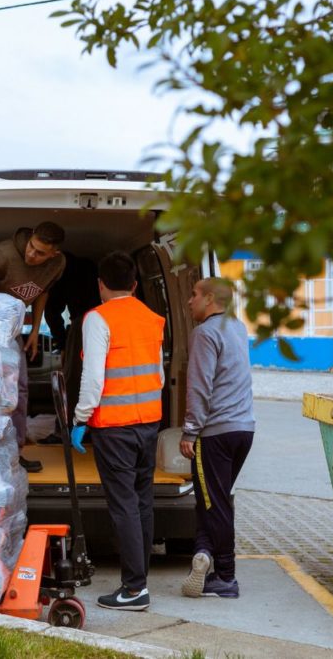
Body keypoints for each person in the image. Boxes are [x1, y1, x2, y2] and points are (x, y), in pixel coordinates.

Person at [71, 251, 165, 611]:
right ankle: (139, 580)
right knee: (142, 501)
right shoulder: (152, 318)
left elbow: (93, 378)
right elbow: (157, 375)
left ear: (100, 285)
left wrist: (80, 419)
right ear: (136, 285)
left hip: (114, 428)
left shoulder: (98, 318)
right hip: (148, 423)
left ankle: (134, 588)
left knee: (123, 504)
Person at [179, 278, 255, 599]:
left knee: (215, 504)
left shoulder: (205, 333)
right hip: (244, 429)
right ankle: (204, 552)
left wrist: (190, 431)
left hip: (216, 433)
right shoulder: (238, 328)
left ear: (210, 299)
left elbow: (200, 387)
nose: (189, 301)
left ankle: (226, 576)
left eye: (193, 295)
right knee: (212, 500)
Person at [0, 221, 66, 473]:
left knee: (19, 391)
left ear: (53, 253)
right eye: (32, 248)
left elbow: (43, 291)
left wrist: (34, 330)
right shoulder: (3, 254)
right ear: (31, 237)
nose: (32, 255)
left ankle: (14, 453)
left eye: (41, 253)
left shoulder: (58, 264)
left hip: (12, 334)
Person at [42, 251, 99, 441]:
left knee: (74, 379)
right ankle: (96, 428)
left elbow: (51, 311)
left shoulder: (60, 272)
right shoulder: (91, 265)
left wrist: (63, 341)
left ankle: (68, 429)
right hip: (109, 321)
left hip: (81, 324)